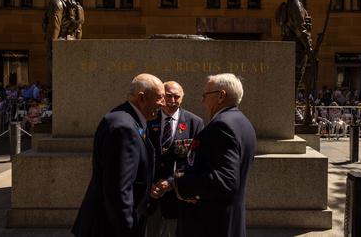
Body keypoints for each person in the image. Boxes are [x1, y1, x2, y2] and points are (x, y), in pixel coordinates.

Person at [71, 73, 165, 237]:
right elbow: (118, 189)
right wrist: (128, 228)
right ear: (141, 98)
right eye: (159, 98)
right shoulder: (124, 128)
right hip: (111, 227)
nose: (163, 104)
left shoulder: (128, 119)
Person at [174, 73, 257, 237]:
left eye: (205, 95)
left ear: (221, 96)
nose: (202, 100)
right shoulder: (242, 122)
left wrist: (181, 182)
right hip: (228, 220)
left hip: (212, 223)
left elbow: (226, 180)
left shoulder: (222, 125)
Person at [146, 81, 203, 237]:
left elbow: (195, 161)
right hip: (150, 196)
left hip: (179, 196)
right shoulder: (148, 119)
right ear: (161, 97)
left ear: (182, 98)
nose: (172, 100)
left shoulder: (195, 123)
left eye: (176, 96)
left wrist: (171, 182)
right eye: (168, 96)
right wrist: (148, 184)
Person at [42, 0, 84, 84]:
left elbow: (54, 26)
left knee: (58, 79)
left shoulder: (56, 3)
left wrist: (51, 44)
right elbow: (79, 27)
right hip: (72, 41)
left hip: (60, 42)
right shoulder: (75, 4)